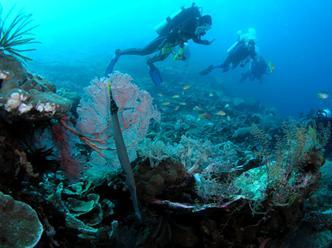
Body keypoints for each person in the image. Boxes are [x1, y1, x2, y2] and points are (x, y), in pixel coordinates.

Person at [105, 3, 213, 85]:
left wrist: (205, 42)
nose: (206, 30)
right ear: (204, 22)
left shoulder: (197, 28)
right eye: (207, 26)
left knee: (161, 58)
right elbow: (178, 32)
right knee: (144, 51)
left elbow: (194, 39)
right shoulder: (192, 22)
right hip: (166, 38)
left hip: (172, 43)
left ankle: (150, 62)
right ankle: (119, 53)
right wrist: (177, 44)